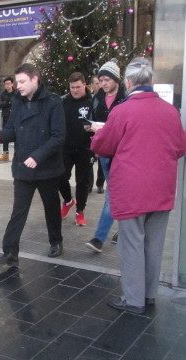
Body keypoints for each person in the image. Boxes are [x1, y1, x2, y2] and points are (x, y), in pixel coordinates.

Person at [91, 57, 185, 314]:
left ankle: (133, 300)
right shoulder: (170, 111)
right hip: (163, 189)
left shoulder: (122, 111)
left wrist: (99, 132)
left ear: (129, 83)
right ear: (151, 81)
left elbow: (102, 145)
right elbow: (180, 147)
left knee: (131, 244)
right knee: (154, 244)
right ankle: (149, 294)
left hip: (132, 190)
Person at [0, 63, 65, 265]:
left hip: (46, 167)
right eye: (17, 81)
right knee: (18, 210)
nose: (18, 85)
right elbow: (12, 130)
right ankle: (10, 252)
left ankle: (56, 241)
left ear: (35, 79)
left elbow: (58, 137)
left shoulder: (53, 102)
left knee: (51, 207)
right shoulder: (18, 102)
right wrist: (0, 136)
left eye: (22, 81)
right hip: (23, 167)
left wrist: (38, 156)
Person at [85, 59, 126, 253]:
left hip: (123, 151)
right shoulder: (98, 97)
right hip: (105, 151)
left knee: (113, 193)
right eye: (101, 80)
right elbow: (91, 118)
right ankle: (124, 229)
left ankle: (99, 238)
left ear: (116, 79)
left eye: (107, 79)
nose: (103, 83)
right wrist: (90, 126)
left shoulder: (126, 98)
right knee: (117, 192)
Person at [59, 72, 93, 226]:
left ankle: (80, 211)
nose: (74, 90)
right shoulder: (64, 102)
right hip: (66, 147)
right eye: (72, 87)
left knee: (82, 181)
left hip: (85, 148)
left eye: (78, 87)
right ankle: (68, 201)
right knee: (60, 176)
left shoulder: (93, 102)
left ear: (84, 85)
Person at [0, 77, 16, 161]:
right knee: (5, 136)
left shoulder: (17, 93)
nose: (7, 85)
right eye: (6, 84)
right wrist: (7, 102)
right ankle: (5, 155)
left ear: (12, 84)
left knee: (17, 136)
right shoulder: (2, 94)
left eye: (9, 83)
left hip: (16, 117)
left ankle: (17, 155)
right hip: (6, 118)